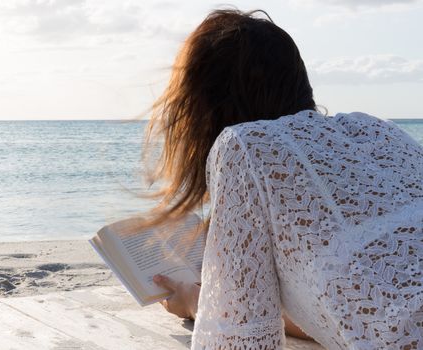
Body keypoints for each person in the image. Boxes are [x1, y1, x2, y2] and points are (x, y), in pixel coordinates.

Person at [141, 8, 423, 349]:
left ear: (205, 107)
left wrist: (197, 304)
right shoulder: (377, 130)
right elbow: (351, 312)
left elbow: (242, 340)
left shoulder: (247, 147)